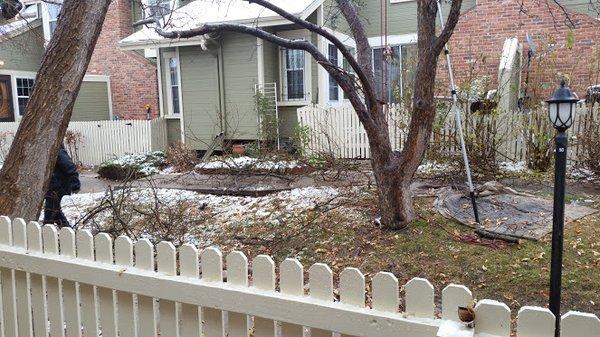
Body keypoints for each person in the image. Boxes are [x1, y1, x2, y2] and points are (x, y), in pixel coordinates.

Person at [44, 144, 80, 228]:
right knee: (55, 212)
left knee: (50, 211)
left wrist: (75, 184)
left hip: (57, 187)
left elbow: (70, 167)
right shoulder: (49, 151)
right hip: (53, 186)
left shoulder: (58, 151)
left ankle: (46, 233)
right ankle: (69, 233)